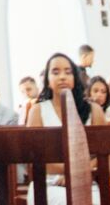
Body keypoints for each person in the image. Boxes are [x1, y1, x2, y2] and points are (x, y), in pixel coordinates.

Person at [27, 52, 96, 204]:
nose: (62, 77)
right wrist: (69, 172)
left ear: (75, 78)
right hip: (49, 183)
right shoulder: (37, 111)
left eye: (68, 72)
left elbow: (102, 157)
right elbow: (34, 159)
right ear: (47, 79)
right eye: (55, 72)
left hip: (88, 181)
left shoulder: (93, 110)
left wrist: (77, 174)